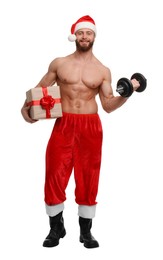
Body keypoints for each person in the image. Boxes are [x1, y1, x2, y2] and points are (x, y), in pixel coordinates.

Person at [21, 15, 140, 249]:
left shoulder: (103, 70)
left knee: (88, 175)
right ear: (74, 35)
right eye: (81, 33)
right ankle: (56, 227)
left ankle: (86, 232)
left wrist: (127, 93)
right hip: (64, 124)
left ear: (94, 36)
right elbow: (40, 89)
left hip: (90, 126)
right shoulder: (59, 63)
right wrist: (26, 109)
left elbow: (108, 105)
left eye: (89, 33)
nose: (85, 37)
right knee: (55, 172)